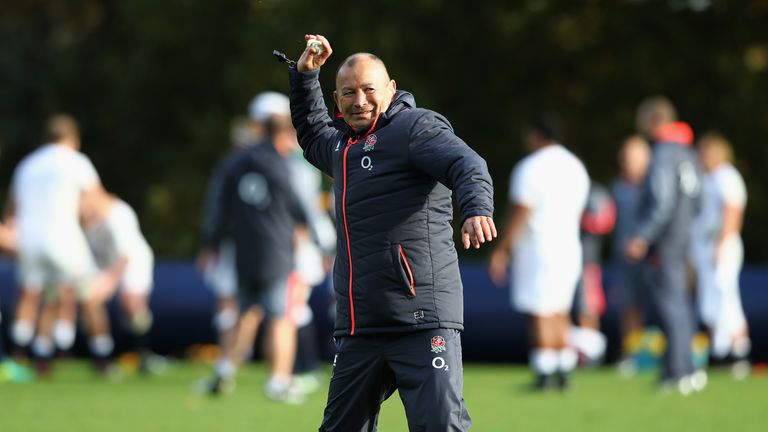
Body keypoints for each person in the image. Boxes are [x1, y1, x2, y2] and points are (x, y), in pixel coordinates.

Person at [288, 35, 496, 431]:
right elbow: (313, 133)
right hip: (361, 324)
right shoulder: (343, 147)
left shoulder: (415, 129)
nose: (360, 100)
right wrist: (305, 76)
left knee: (439, 425)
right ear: (338, 100)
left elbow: (468, 165)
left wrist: (475, 209)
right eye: (349, 93)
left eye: (369, 90)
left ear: (391, 89)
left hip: (420, 318)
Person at [200, 94, 307, 403]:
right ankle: (279, 380)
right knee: (281, 317)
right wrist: (320, 239)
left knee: (245, 312)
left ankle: (224, 369)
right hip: (279, 251)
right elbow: (301, 208)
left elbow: (218, 207)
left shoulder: (235, 162)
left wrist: (210, 242)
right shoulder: (286, 164)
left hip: (244, 249)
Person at [489, 115, 589, 390]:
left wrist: (502, 249)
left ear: (536, 135)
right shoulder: (575, 166)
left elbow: (522, 209)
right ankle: (564, 369)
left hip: (539, 246)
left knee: (540, 310)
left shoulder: (531, 168)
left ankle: (545, 373)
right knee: (560, 309)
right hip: (569, 245)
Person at [6, 114, 101, 371]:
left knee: (33, 294)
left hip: (30, 240)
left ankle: (24, 355)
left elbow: (12, 211)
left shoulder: (27, 164)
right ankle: (102, 356)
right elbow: (93, 205)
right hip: (64, 237)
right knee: (88, 294)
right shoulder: (76, 161)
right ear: (73, 138)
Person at [624, 96, 705, 394]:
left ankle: (677, 371)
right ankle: (688, 368)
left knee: (669, 306)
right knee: (680, 305)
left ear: (655, 121)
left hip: (665, 242)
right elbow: (701, 200)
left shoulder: (663, 154)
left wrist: (644, 235)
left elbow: (662, 199)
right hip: (683, 239)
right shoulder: (689, 153)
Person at [690, 132, 750, 378]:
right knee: (710, 302)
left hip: (720, 245)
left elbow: (733, 210)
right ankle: (720, 350)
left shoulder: (727, 176)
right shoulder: (709, 178)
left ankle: (739, 351)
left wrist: (723, 242)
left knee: (726, 298)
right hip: (706, 246)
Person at [80, 190, 155, 373]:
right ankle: (102, 357)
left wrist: (110, 283)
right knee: (89, 301)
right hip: (103, 264)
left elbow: (125, 256)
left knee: (131, 304)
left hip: (132, 261)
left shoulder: (118, 215)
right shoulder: (79, 220)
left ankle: (143, 353)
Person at [610, 135, 652, 373]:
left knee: (656, 305)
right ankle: (633, 353)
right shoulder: (618, 187)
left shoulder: (654, 185)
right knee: (628, 305)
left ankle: (657, 355)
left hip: (650, 257)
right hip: (623, 256)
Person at [569, 180, 615, 366]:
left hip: (587, 262)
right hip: (563, 260)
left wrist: (577, 217)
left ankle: (591, 355)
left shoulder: (594, 192)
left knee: (587, 308)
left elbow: (604, 222)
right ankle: (573, 355)